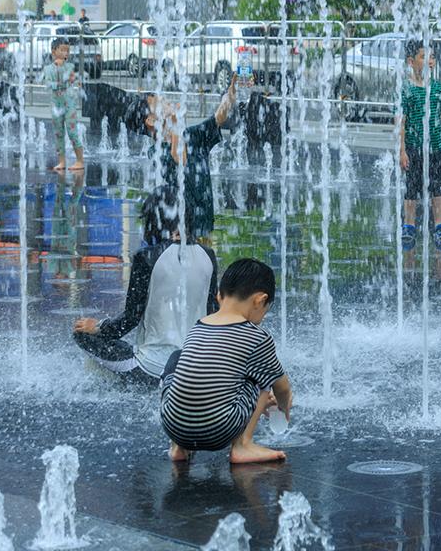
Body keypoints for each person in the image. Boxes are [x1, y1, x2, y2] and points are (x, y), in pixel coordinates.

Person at [72, 186, 218, 384]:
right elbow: (213, 313)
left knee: (82, 334)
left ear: (154, 219)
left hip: (150, 369)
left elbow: (131, 318)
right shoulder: (208, 255)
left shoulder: (146, 257)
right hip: (195, 368)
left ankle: (116, 384)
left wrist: (98, 327)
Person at [160, 258, 292, 465]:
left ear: (219, 296)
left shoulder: (199, 326)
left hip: (174, 427)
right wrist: (284, 411)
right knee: (262, 375)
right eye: (266, 309)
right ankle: (243, 446)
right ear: (260, 300)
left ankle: (178, 447)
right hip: (220, 431)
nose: (263, 316)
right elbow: (282, 387)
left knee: (176, 358)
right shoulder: (256, 336)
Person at [134, 83, 240, 242]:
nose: (166, 101)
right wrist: (176, 121)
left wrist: (229, 96)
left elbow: (217, 119)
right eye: (159, 103)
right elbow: (180, 159)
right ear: (150, 120)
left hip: (204, 228)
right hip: (179, 234)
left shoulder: (191, 136)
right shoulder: (156, 153)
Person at [399, 39, 441, 252]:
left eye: (432, 57)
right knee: (412, 187)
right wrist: (402, 150)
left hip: (436, 147)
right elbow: (401, 122)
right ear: (411, 61)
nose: (430, 61)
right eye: (424, 57)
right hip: (413, 146)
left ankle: (439, 224)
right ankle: (409, 225)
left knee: (437, 186)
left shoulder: (439, 87)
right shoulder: (406, 88)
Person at [42, 38, 84, 171]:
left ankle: (79, 161)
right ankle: (62, 161)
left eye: (68, 50)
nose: (66, 53)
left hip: (69, 105)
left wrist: (75, 81)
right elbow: (48, 85)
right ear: (53, 51)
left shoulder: (70, 66)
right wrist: (61, 83)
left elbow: (72, 79)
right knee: (58, 133)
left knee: (72, 133)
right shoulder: (47, 69)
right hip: (56, 105)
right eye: (63, 50)